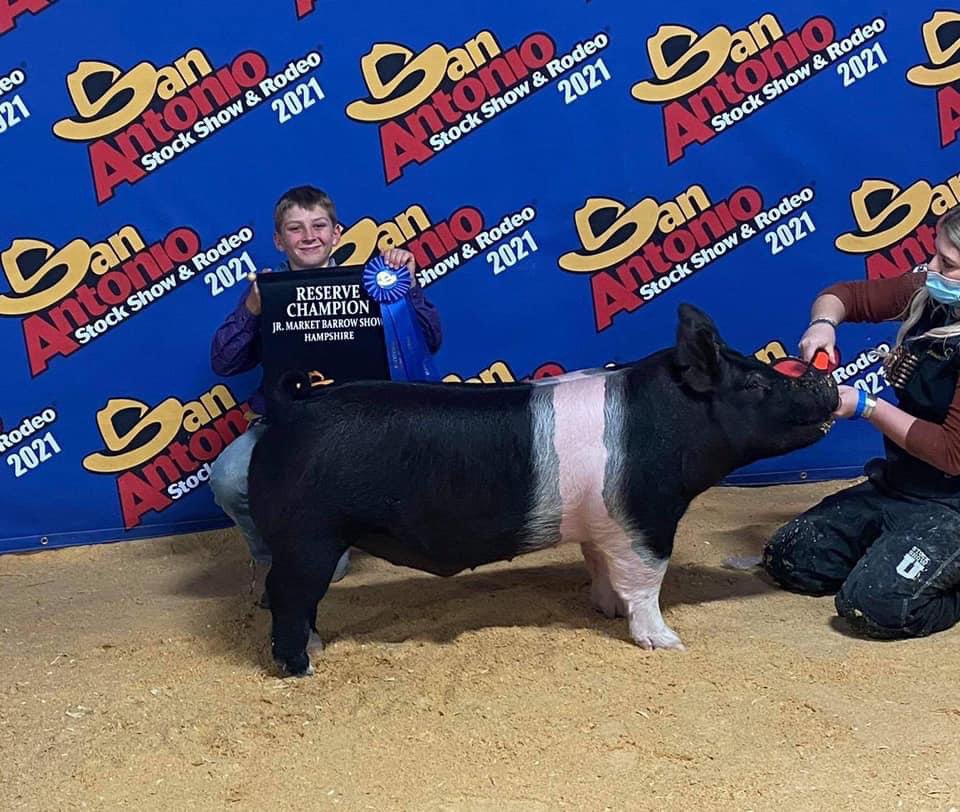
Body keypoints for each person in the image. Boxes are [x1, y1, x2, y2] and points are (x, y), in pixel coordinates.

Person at [209, 185, 442, 605]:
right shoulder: (267, 290)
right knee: (228, 479)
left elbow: (430, 339)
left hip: (363, 426)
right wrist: (252, 308)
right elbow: (224, 363)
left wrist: (406, 287)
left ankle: (355, 538)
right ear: (279, 241)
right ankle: (270, 559)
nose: (309, 236)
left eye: (318, 226)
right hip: (287, 427)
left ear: (337, 233)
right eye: (295, 229)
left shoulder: (376, 282)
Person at [763, 205, 960, 639]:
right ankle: (905, 555)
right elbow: (844, 295)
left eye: (948, 264)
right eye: (936, 255)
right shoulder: (930, 288)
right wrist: (823, 325)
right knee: (792, 557)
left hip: (954, 502)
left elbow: (951, 454)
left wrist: (866, 406)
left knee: (873, 606)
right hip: (903, 485)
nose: (931, 269)